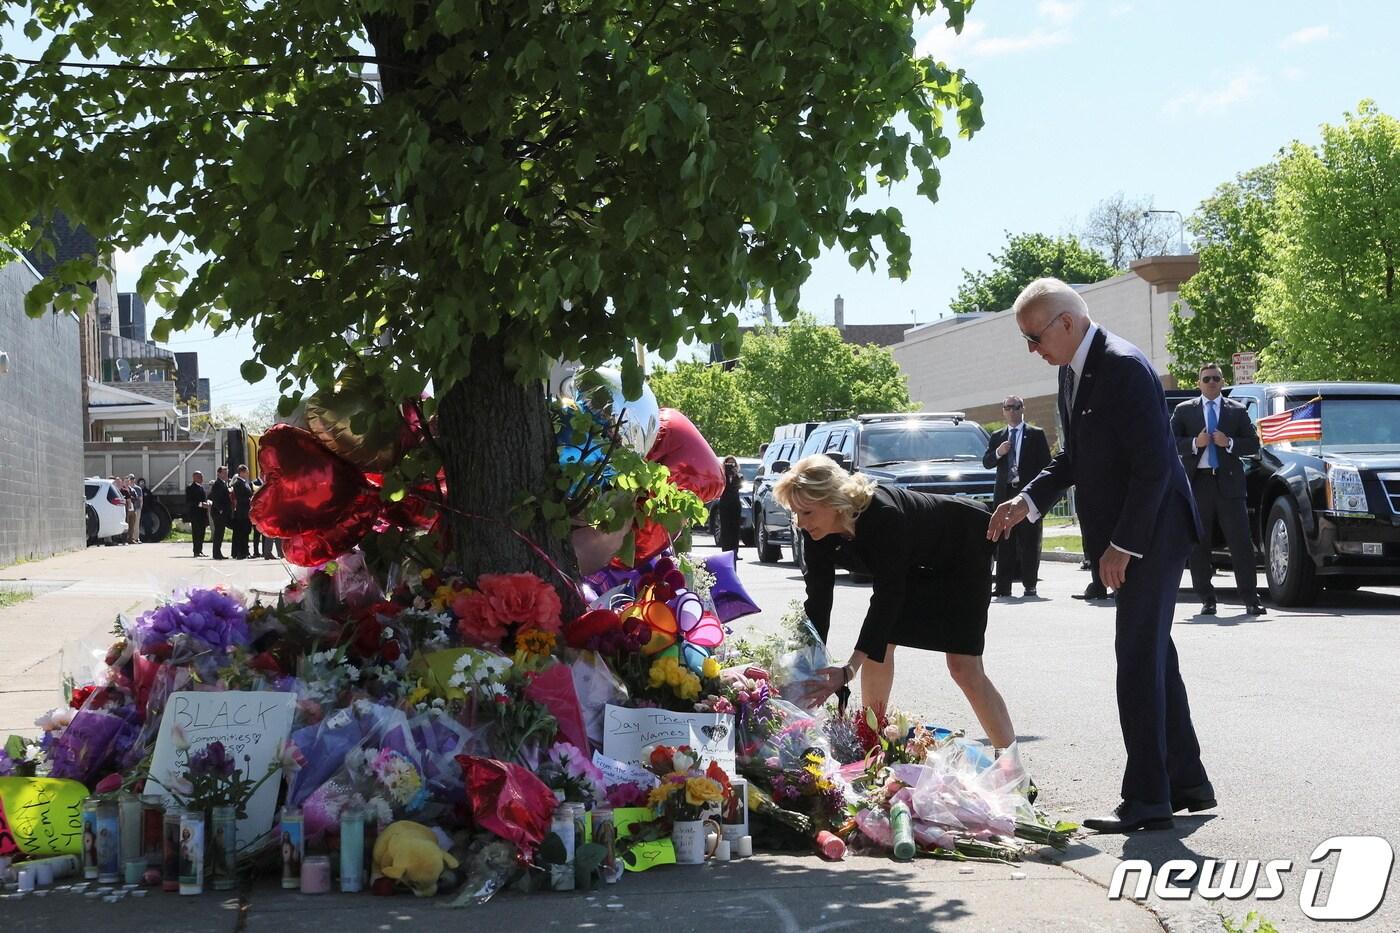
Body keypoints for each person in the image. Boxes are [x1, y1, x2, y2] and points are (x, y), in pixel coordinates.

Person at [988, 278, 1213, 833]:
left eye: (1034, 336)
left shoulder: (1124, 366)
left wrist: (1123, 546)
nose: (1032, 349)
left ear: (1066, 323)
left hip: (1153, 534)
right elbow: (1074, 457)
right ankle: (1186, 783)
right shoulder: (1072, 371)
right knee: (1154, 654)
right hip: (1134, 534)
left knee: (1136, 659)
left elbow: (1154, 467)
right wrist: (1027, 499)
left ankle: (1146, 802)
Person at [773, 455, 1019, 750]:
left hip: (961, 552)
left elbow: (888, 597)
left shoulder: (882, 515)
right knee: (881, 644)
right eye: (795, 514)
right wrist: (805, 669)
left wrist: (849, 670)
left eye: (807, 512)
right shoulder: (817, 533)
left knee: (964, 667)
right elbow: (818, 600)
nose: (800, 523)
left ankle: (1011, 766)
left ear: (833, 501)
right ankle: (870, 742)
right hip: (915, 565)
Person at [1170, 363, 1265, 616]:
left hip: (1229, 484)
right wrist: (1194, 443)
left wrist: (1229, 442)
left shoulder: (1236, 411)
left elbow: (1253, 444)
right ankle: (1207, 598)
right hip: (1198, 482)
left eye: (1216, 378)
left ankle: (1250, 598)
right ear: (1199, 383)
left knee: (1240, 543)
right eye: (1206, 379)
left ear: (1222, 382)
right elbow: (1168, 442)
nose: (1211, 382)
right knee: (1199, 544)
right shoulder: (1184, 411)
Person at [982, 396, 1052, 597]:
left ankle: (1030, 584)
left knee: (1030, 539)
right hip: (1005, 493)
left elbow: (1046, 465)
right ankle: (1003, 587)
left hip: (1027, 493)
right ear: (1003, 411)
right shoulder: (998, 436)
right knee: (1005, 540)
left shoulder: (1035, 434)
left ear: (1023, 409)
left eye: (1016, 407)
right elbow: (987, 462)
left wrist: (1040, 494)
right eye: (1008, 407)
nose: (1012, 411)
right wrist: (998, 452)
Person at [716, 456, 743, 555]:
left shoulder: (738, 476)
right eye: (728, 464)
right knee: (726, 528)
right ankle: (726, 551)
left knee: (735, 529)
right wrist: (725, 473)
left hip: (735, 504)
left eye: (733, 464)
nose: (730, 466)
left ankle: (735, 552)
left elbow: (739, 485)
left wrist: (735, 473)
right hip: (725, 504)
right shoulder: (722, 476)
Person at [231, 465, 254, 559]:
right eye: (246, 472)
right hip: (242, 512)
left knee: (246, 532)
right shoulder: (238, 483)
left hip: (246, 511)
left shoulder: (245, 483)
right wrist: (250, 499)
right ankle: (241, 552)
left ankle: (245, 551)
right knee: (242, 533)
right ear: (242, 472)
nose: (247, 474)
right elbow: (240, 498)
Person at [185, 471, 210, 557]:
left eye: (202, 476)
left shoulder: (201, 487)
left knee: (202, 532)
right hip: (195, 514)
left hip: (202, 514)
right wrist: (201, 504)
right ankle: (196, 551)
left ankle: (200, 550)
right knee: (196, 533)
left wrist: (206, 503)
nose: (202, 478)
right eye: (199, 477)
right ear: (194, 477)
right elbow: (190, 502)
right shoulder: (190, 488)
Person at [209, 466, 232, 560]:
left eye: (227, 473)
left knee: (220, 533)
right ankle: (216, 554)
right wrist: (220, 510)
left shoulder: (223, 483)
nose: (226, 475)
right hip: (218, 513)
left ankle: (218, 552)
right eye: (224, 473)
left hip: (222, 512)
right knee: (218, 533)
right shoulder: (217, 484)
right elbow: (216, 499)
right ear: (219, 474)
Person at [124, 474, 142, 544]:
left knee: (135, 524)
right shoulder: (124, 489)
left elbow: (139, 499)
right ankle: (126, 539)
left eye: (132, 479)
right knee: (127, 524)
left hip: (135, 508)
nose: (130, 481)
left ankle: (135, 538)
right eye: (129, 480)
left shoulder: (135, 489)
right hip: (127, 509)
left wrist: (140, 507)